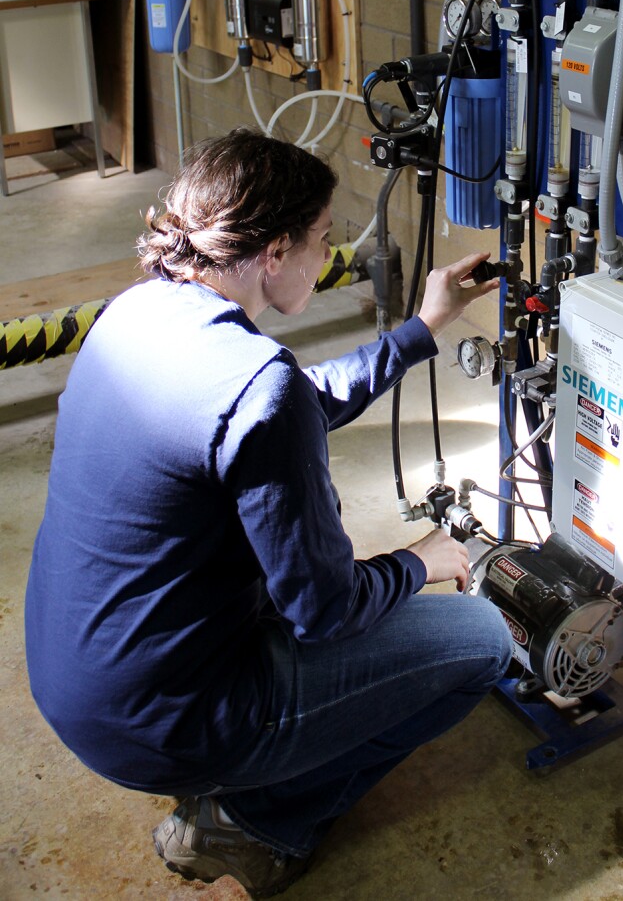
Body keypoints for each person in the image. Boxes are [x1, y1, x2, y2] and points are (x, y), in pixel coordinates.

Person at [25, 127, 512, 900]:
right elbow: (323, 608)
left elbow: (290, 406)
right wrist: (422, 559)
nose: (330, 256)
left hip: (76, 679)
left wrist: (422, 329)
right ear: (276, 251)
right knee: (482, 641)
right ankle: (258, 822)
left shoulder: (137, 313)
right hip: (166, 721)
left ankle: (240, 778)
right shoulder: (258, 385)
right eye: (323, 238)